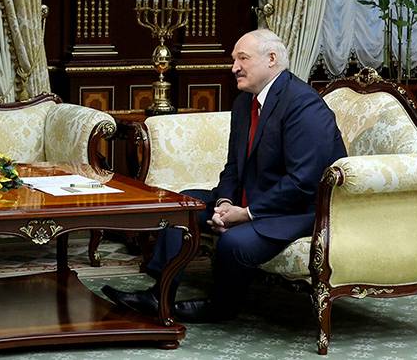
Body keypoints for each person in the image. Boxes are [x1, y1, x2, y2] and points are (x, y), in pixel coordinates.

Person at [103, 29, 348, 322]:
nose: (234, 67)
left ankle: (221, 307)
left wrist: (247, 213)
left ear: (271, 59)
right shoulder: (245, 102)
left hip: (299, 210)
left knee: (234, 242)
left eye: (242, 58)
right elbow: (233, 166)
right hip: (253, 199)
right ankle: (160, 294)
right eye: (234, 59)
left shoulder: (303, 104)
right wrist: (224, 202)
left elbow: (303, 181)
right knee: (181, 207)